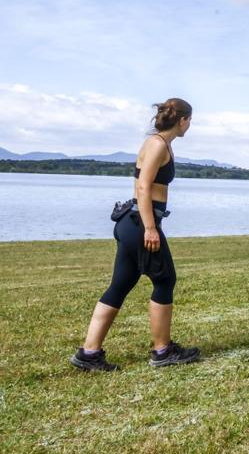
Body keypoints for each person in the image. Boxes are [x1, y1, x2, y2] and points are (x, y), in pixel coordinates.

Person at [70, 98, 201, 371]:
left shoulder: (161, 143)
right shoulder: (156, 144)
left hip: (135, 222)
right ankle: (162, 351)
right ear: (183, 120)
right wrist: (151, 227)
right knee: (165, 280)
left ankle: (89, 354)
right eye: (190, 120)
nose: (190, 125)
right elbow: (143, 188)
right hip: (141, 223)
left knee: (121, 284)